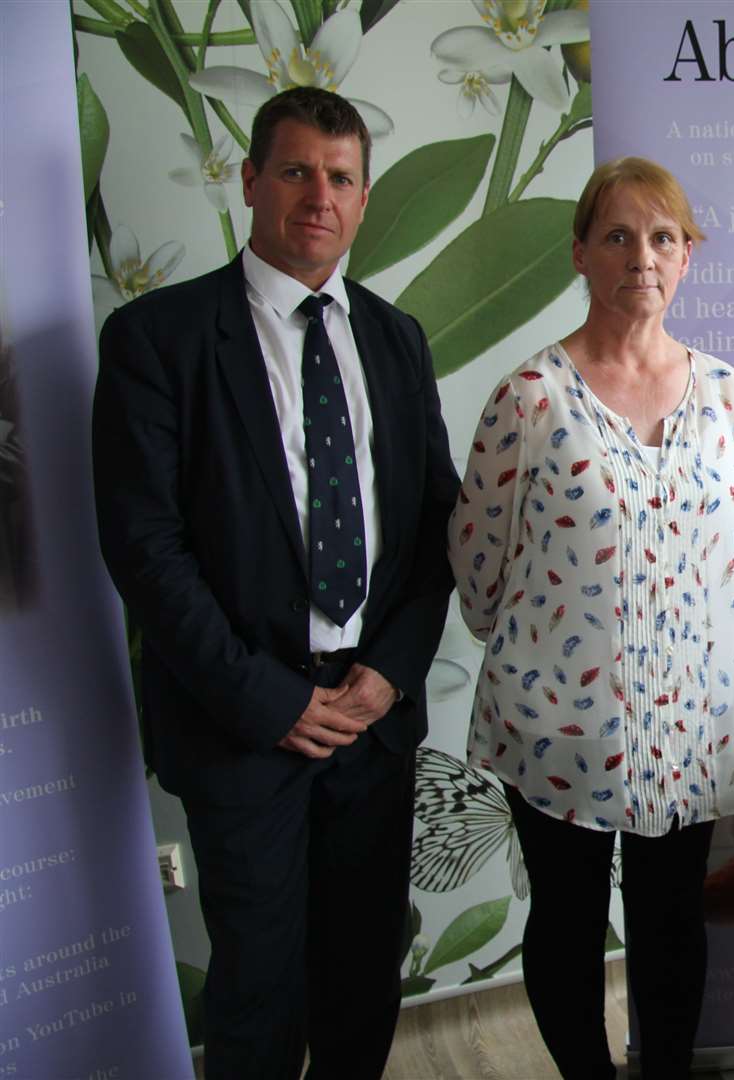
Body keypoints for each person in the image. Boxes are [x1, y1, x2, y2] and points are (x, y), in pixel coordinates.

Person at [93, 87, 459, 1079]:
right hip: (242, 725)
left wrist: (389, 671)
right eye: (295, 171)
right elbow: (144, 549)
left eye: (340, 178)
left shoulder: (396, 338)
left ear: (365, 197)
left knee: (362, 979)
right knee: (257, 994)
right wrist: (272, 699)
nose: (317, 196)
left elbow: (437, 529)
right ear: (251, 180)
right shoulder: (156, 339)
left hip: (371, 723)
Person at [448, 156, 734, 1079]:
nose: (643, 256)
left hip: (692, 720)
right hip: (562, 725)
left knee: (673, 921)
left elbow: (728, 546)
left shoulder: (729, 398)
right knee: (570, 922)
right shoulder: (530, 399)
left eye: (663, 236)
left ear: (688, 257)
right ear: (580, 254)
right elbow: (477, 568)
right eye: (619, 236)